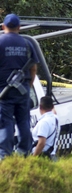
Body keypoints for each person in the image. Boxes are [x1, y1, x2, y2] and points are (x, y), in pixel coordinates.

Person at [0, 13, 37, 159]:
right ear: (19, 27)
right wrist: (28, 85)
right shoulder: (27, 43)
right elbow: (33, 68)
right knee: (24, 122)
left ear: (3, 26)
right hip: (23, 91)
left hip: (3, 91)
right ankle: (24, 153)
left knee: (5, 123)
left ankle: (5, 156)